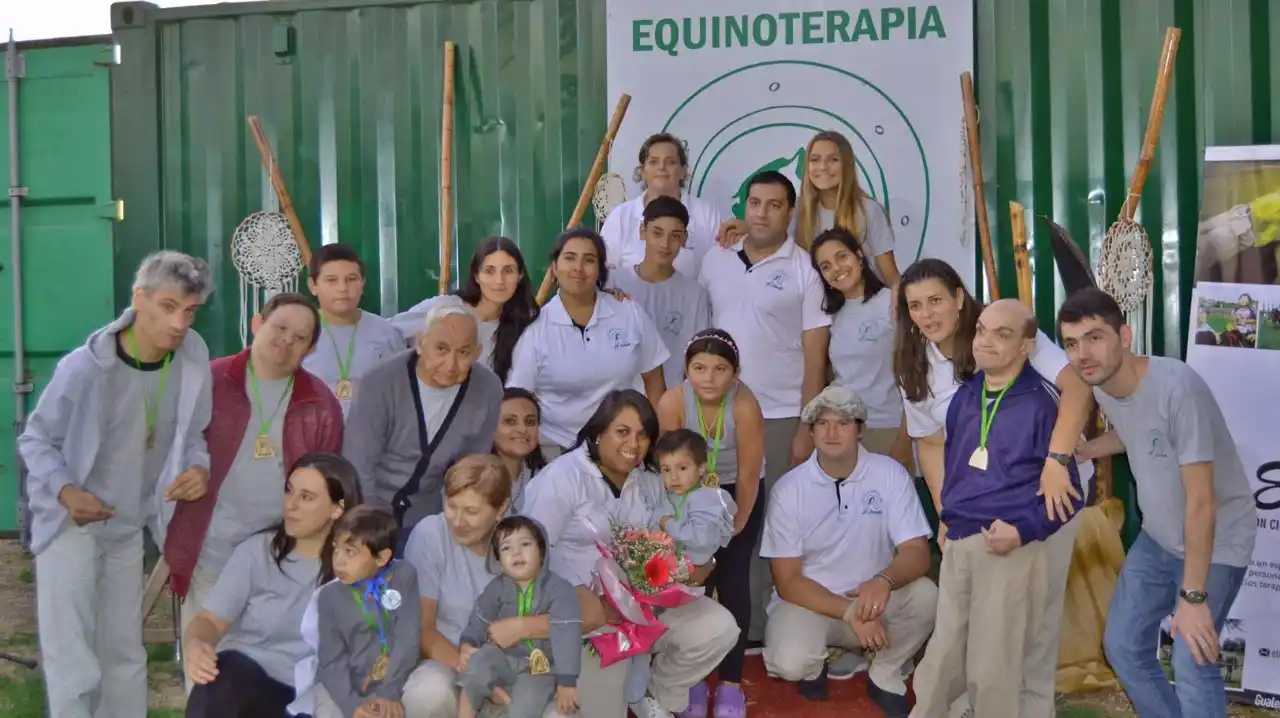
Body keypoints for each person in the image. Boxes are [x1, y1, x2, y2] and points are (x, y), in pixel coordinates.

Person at [894, 258, 1094, 716]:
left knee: (1030, 635)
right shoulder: (915, 363)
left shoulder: (1006, 328)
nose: (927, 314)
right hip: (975, 512)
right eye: (915, 306)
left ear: (959, 297)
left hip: (1042, 502)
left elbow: (1079, 389)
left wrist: (1057, 461)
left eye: (936, 300)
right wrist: (948, 515)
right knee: (966, 638)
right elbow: (932, 443)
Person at [21, 251, 214, 718]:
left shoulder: (192, 358)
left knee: (124, 655)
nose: (179, 323)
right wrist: (66, 492)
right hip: (70, 526)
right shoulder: (84, 368)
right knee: (74, 662)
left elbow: (195, 436)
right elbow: (36, 439)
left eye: (190, 311)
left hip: (128, 526)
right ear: (139, 299)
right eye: (168, 307)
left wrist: (198, 468)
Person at [1059, 288, 1257, 718]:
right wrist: (1090, 449)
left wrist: (1194, 597)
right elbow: (1136, 430)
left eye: (1094, 337)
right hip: (1160, 536)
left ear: (1125, 336)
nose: (1082, 354)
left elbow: (1202, 501)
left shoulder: (1177, 388)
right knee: (1123, 645)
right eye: (1071, 343)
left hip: (1217, 540)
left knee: (1192, 657)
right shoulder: (1103, 385)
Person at [523, 390, 739, 718]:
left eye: (643, 434)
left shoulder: (652, 478)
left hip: (647, 606)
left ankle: (655, 696)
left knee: (718, 627)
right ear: (598, 433)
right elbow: (532, 553)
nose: (634, 444)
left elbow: (683, 530)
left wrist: (702, 562)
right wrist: (584, 599)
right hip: (591, 618)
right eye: (622, 432)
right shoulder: (561, 478)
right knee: (604, 711)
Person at [698, 169, 831, 648]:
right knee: (726, 521)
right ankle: (732, 627)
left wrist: (806, 426)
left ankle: (768, 628)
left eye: (774, 205)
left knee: (774, 523)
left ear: (790, 212)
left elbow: (815, 355)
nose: (762, 213)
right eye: (754, 203)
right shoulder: (716, 258)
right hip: (717, 415)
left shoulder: (804, 269)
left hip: (779, 416)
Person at [167, 292, 343, 636]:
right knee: (205, 647)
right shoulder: (209, 381)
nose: (287, 340)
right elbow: (174, 447)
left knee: (270, 654)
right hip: (211, 546)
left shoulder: (322, 405)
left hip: (281, 553)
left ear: (310, 349)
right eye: (280, 328)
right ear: (257, 324)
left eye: (300, 337)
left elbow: (327, 483)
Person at [761, 385, 936, 718]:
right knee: (790, 663)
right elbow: (788, 582)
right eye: (822, 423)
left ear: (860, 430)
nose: (831, 433)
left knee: (928, 597)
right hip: (811, 604)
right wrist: (848, 611)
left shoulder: (891, 474)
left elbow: (917, 551)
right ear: (810, 432)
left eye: (843, 423)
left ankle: (885, 670)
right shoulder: (789, 489)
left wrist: (884, 580)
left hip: (874, 600)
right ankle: (817, 663)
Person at [399, 454, 605, 718]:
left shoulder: (527, 538)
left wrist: (524, 627)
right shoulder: (430, 534)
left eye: (471, 511)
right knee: (427, 693)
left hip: (519, 671)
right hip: (449, 662)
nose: (457, 521)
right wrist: (477, 675)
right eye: (451, 506)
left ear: (501, 509)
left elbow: (592, 612)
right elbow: (423, 629)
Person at [183, 452, 363, 718]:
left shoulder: (358, 569)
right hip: (247, 675)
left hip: (311, 692)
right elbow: (209, 620)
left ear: (337, 509)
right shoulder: (258, 551)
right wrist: (197, 644)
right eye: (289, 491)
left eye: (306, 497)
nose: (291, 504)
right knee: (223, 681)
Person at [655, 328, 765, 717]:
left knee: (733, 582)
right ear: (686, 370)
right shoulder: (673, 401)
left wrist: (735, 526)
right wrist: (679, 520)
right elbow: (668, 466)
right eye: (699, 368)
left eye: (720, 369)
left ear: (735, 373)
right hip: (687, 492)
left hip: (736, 492)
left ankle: (731, 683)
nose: (709, 378)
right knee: (694, 581)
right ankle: (694, 679)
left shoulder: (745, 405)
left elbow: (749, 474)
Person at [342, 303, 502, 541]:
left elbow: (470, 469)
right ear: (420, 343)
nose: (451, 364)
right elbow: (358, 464)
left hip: (429, 519)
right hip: (368, 514)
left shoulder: (488, 390)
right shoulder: (379, 383)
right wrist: (369, 527)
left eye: (463, 353)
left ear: (477, 353)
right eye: (441, 349)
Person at [508, 229, 669, 456]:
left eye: (589, 260)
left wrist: (653, 440)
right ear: (554, 268)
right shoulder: (536, 328)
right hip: (557, 449)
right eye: (569, 258)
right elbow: (519, 398)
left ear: (600, 269)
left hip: (626, 446)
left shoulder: (628, 312)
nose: (578, 268)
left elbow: (654, 380)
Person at [716, 130, 900, 284]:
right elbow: (770, 228)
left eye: (833, 159)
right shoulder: (798, 209)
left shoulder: (869, 210)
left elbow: (889, 273)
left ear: (847, 165)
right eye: (815, 159)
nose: (823, 167)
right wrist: (743, 226)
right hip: (818, 307)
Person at [457, 516, 582, 718]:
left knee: (527, 703)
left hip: (540, 668)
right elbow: (480, 617)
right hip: (503, 657)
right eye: (506, 548)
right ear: (498, 560)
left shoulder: (560, 590)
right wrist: (467, 644)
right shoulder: (496, 588)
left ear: (542, 551)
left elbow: (567, 633)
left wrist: (567, 682)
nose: (516, 552)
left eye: (525, 544)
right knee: (477, 663)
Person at [809, 227, 910, 462]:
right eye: (826, 266)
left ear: (859, 257)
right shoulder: (829, 316)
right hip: (843, 431)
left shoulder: (892, 303)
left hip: (887, 428)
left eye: (842, 257)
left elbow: (916, 374)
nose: (837, 268)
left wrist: (905, 439)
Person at [314, 505, 420, 718]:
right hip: (347, 684)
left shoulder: (403, 576)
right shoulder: (329, 597)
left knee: (431, 693)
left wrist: (389, 692)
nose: (338, 561)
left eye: (350, 552)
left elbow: (407, 638)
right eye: (336, 549)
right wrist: (352, 705)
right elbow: (332, 660)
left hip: (396, 677)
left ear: (382, 558)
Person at [392, 237, 540, 383]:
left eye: (508, 271)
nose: (499, 280)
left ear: (520, 275)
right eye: (489, 271)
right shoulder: (445, 308)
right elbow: (387, 334)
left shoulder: (523, 322)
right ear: (476, 276)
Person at [609, 195, 712, 388]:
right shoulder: (614, 282)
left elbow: (698, 357)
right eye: (657, 233)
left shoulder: (695, 295)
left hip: (670, 399)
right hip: (620, 399)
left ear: (684, 239)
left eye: (674, 236)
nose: (665, 244)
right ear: (642, 231)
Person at [601, 132, 723, 278]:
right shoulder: (621, 216)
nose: (662, 167)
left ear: (684, 171)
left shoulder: (706, 214)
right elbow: (606, 272)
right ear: (642, 172)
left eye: (670, 162)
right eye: (654, 162)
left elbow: (719, 270)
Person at [302, 243, 403, 413]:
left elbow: (402, 390)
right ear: (313, 286)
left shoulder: (384, 331)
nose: (342, 288)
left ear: (363, 283)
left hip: (373, 428)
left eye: (351, 279)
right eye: (331, 280)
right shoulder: (300, 331)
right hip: (314, 428)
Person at [493, 387, 548, 515]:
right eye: (510, 421)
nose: (522, 429)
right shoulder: (470, 478)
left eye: (530, 422)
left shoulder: (547, 480)